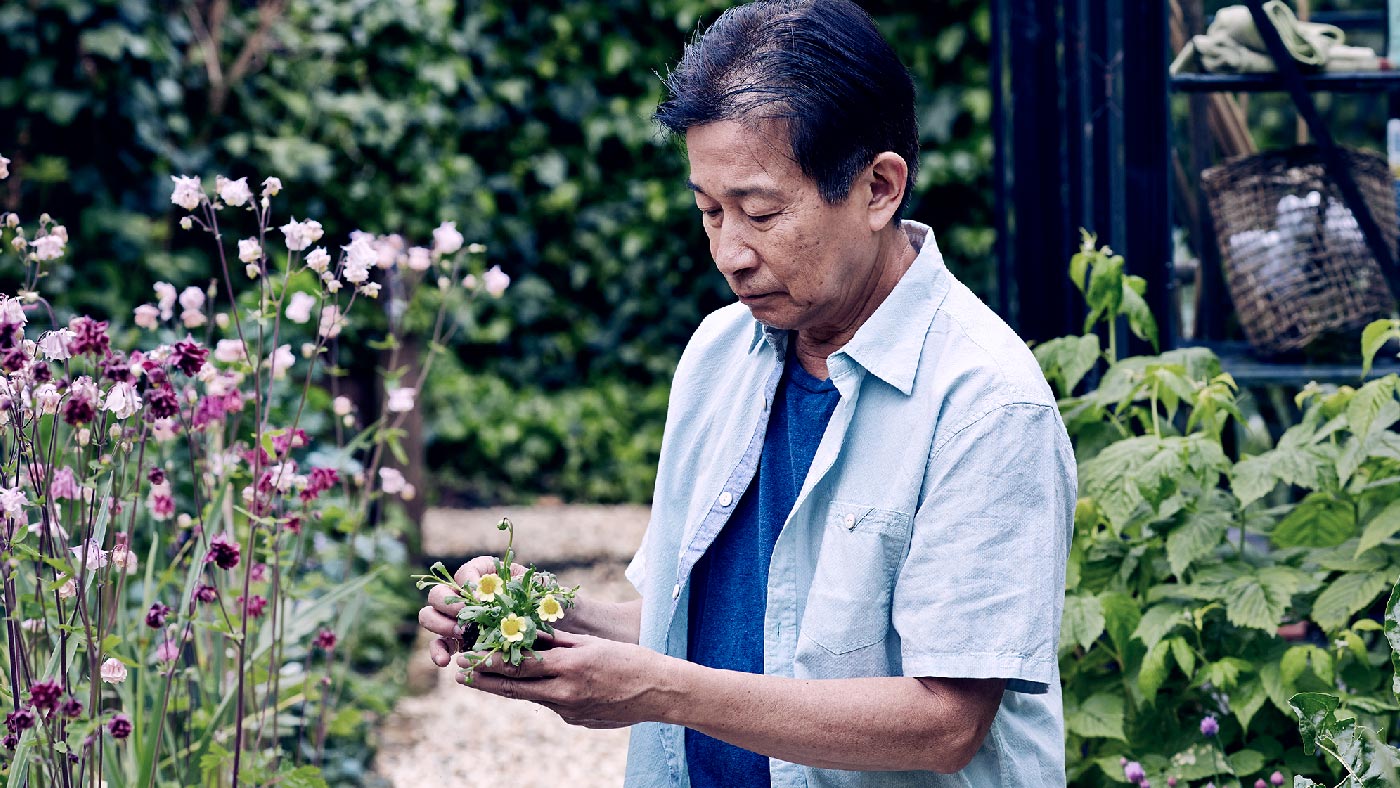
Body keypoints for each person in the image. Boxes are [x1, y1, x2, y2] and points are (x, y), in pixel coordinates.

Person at [417, 1, 1076, 785]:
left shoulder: (986, 405)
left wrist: (658, 691)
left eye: (761, 212)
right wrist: (543, 616)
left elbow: (944, 723)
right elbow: (705, 630)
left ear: (879, 188)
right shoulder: (718, 356)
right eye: (708, 211)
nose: (730, 252)